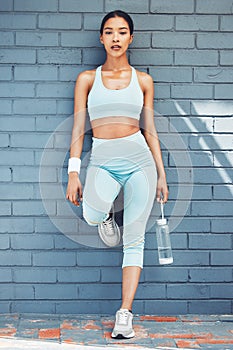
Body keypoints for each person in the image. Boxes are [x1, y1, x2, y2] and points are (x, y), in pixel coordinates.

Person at [66, 10, 169, 339]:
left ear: (130, 38)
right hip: (102, 158)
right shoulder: (87, 79)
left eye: (122, 32)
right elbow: (79, 129)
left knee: (135, 239)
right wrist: (73, 171)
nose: (115, 37)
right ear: (101, 38)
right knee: (92, 213)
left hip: (140, 160)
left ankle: (124, 314)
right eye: (109, 32)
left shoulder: (143, 81)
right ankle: (107, 216)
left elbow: (150, 130)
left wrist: (162, 175)